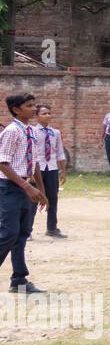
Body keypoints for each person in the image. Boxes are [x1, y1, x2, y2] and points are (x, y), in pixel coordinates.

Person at [0, 93, 47, 294]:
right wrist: (26, 186)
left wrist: (41, 190)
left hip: (29, 188)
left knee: (22, 234)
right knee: (8, 233)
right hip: (11, 188)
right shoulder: (11, 131)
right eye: (29, 106)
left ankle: (19, 281)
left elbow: (34, 161)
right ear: (17, 109)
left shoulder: (32, 132)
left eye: (34, 105)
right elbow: (2, 163)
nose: (34, 109)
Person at [34, 104, 68, 238]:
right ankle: (27, 230)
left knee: (53, 198)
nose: (48, 115)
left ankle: (52, 228)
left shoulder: (55, 132)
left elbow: (60, 152)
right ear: (37, 116)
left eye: (49, 113)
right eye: (44, 113)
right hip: (37, 169)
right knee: (34, 198)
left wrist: (63, 170)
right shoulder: (32, 131)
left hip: (52, 168)